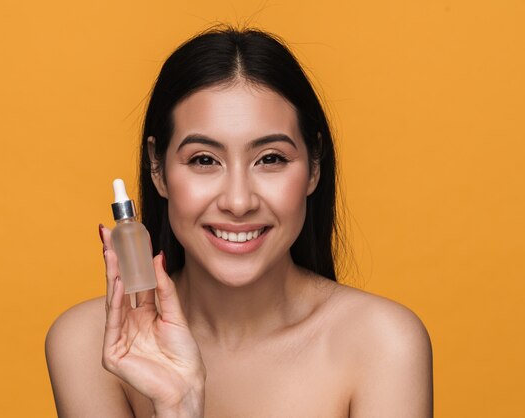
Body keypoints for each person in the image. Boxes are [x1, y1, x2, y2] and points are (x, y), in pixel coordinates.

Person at [45, 26, 433, 418]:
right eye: (203, 160)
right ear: (157, 170)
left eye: (270, 159)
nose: (238, 201)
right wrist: (178, 406)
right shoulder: (89, 343)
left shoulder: (384, 343)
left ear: (314, 168)